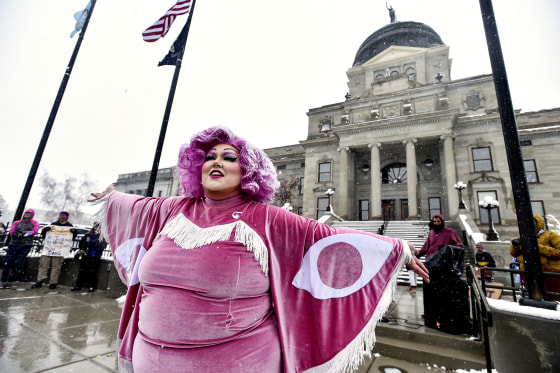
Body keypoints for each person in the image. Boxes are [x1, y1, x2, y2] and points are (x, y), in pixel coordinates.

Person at [88, 126, 429, 373]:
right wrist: (112, 196)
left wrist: (396, 247)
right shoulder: (173, 210)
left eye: (229, 156)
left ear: (247, 170)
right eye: (208, 157)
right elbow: (134, 204)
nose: (215, 162)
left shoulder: (267, 219)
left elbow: (326, 239)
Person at [510, 213, 560, 301]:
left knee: (554, 297)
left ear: (538, 223)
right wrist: (515, 246)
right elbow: (513, 254)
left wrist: (537, 247)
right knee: (535, 297)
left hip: (549, 272)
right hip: (528, 272)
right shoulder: (522, 237)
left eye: (531, 222)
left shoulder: (550, 235)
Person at [31, 211, 75, 289]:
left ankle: (53, 282)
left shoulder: (69, 226)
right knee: (43, 265)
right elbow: (46, 236)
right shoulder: (53, 224)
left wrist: (74, 233)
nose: (62, 217)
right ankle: (39, 281)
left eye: (64, 216)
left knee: (56, 266)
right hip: (49, 248)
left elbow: (71, 238)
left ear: (67, 217)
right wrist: (44, 231)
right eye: (61, 215)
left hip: (59, 250)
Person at [1, 209, 39, 288]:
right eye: (26, 213)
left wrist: (24, 234)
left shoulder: (34, 223)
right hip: (14, 244)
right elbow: (12, 231)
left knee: (18, 263)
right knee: (8, 262)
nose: (27, 214)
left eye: (29, 213)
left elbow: (34, 231)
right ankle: (3, 280)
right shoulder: (17, 222)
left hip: (25, 245)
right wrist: (15, 234)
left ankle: (11, 280)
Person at [72, 223, 107, 292]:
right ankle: (78, 285)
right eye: (95, 226)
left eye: (97, 227)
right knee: (82, 271)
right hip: (86, 255)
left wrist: (95, 243)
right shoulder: (88, 235)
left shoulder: (101, 236)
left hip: (95, 256)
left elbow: (103, 246)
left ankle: (91, 286)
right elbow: (81, 244)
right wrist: (86, 244)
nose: (96, 228)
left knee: (92, 272)